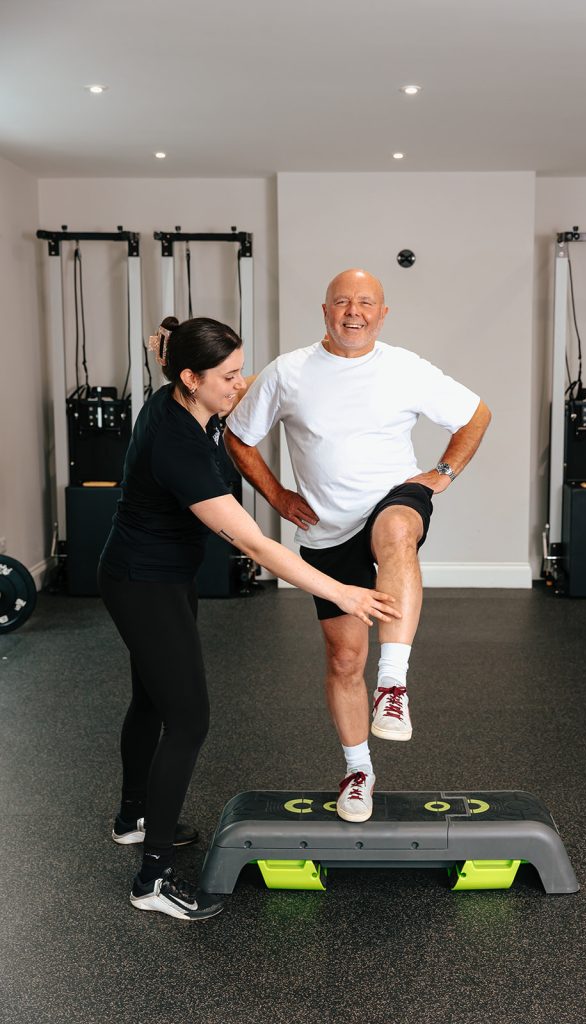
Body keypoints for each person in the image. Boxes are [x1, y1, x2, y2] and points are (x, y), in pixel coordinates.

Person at [98, 315, 400, 922]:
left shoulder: (182, 395)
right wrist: (341, 591)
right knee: (188, 718)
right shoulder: (177, 444)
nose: (242, 385)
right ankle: (152, 877)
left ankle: (133, 817)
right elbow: (258, 547)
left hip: (158, 574)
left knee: (152, 700)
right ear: (191, 378)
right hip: (143, 581)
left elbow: (170, 347)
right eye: (230, 376)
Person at [226, 269, 491, 824]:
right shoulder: (288, 372)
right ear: (325, 311)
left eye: (366, 303)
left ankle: (393, 686)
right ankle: (357, 769)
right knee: (346, 659)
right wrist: (276, 495)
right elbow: (238, 435)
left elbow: (475, 414)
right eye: (342, 302)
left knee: (397, 532)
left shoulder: (404, 367)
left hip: (392, 499)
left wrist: (442, 472)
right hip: (326, 527)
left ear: (383, 313)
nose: (354, 312)